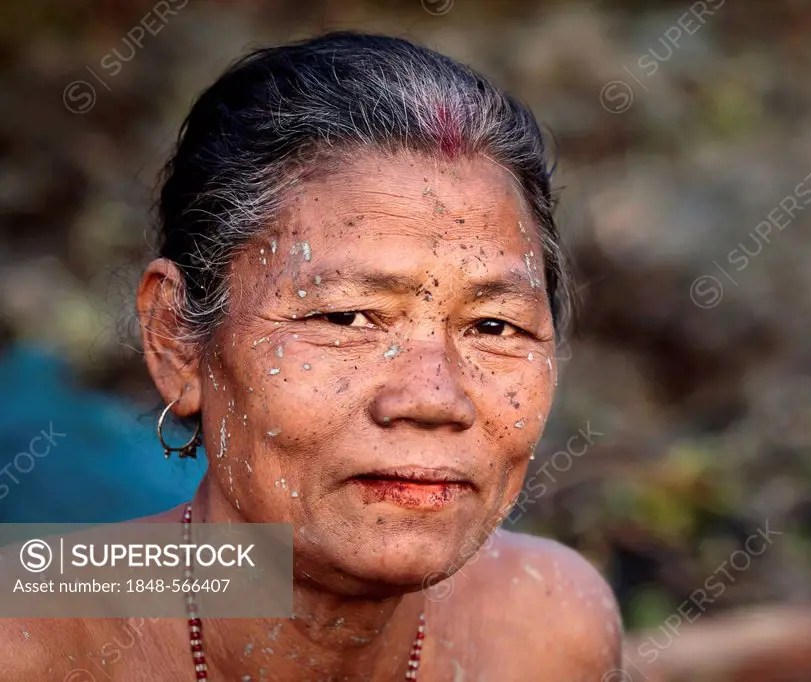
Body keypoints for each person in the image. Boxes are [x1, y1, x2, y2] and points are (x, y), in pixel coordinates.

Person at [0, 31, 622, 680]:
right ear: (178, 339)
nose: (434, 397)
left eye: (494, 325)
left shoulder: (545, 630)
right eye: (346, 316)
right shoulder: (26, 640)